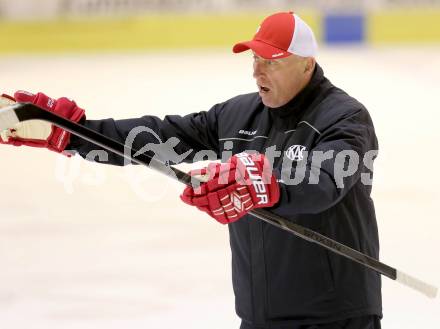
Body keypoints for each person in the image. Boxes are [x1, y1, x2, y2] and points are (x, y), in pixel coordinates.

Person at [0, 11, 382, 329]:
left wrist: (265, 182)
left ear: (307, 64)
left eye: (271, 62)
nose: (257, 71)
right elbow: (159, 135)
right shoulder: (237, 114)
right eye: (254, 59)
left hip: (337, 315)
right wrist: (78, 134)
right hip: (262, 316)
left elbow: (326, 179)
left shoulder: (344, 117)